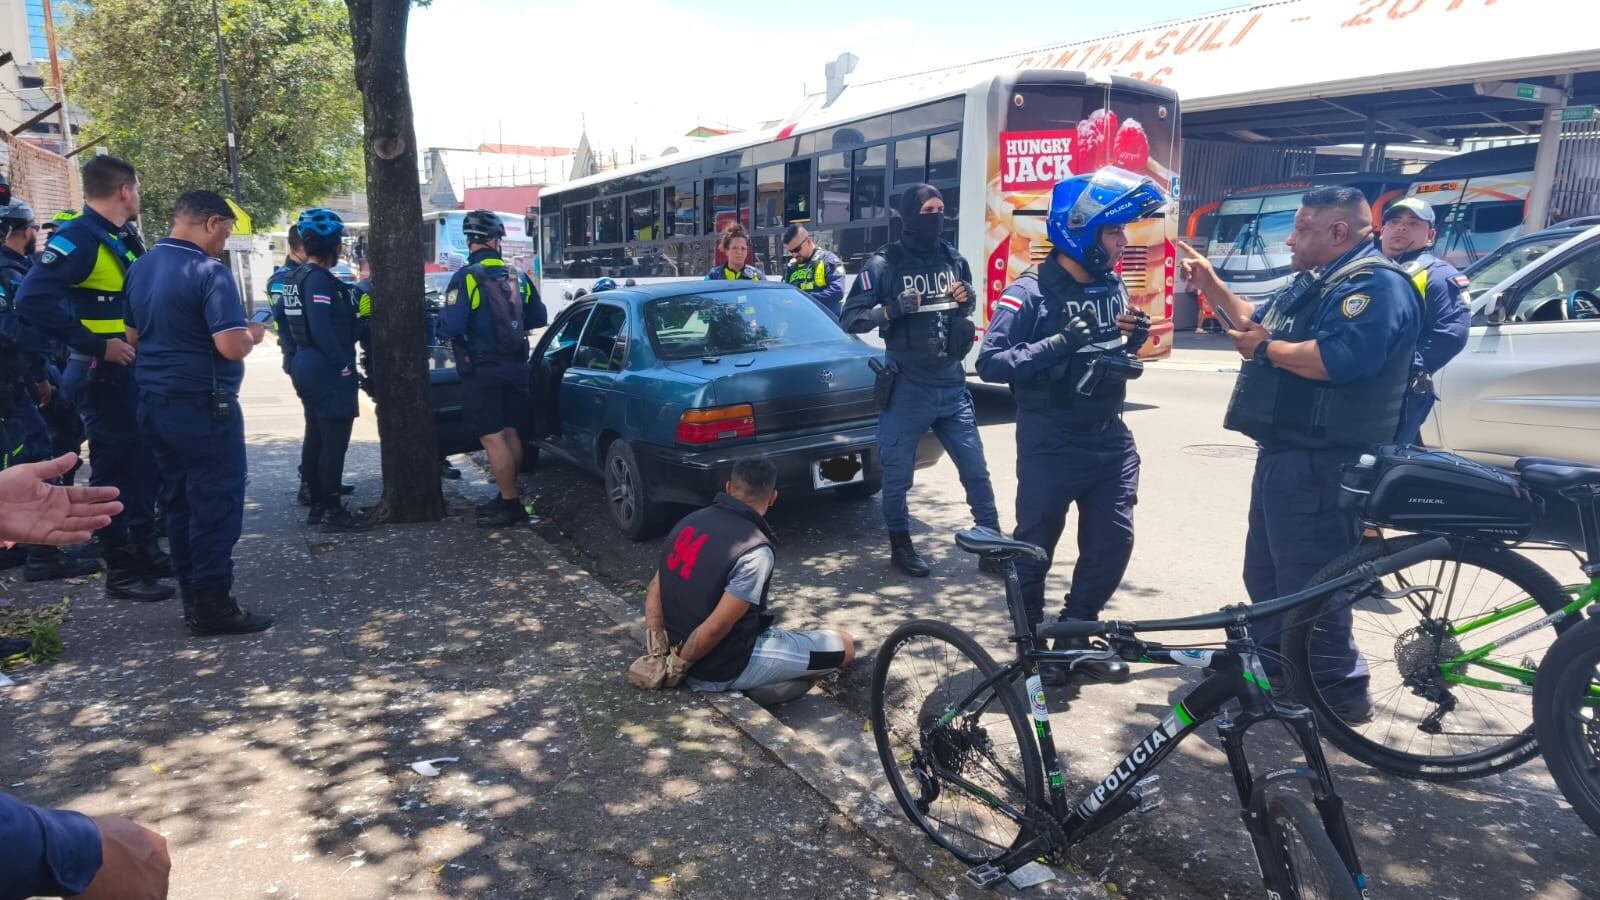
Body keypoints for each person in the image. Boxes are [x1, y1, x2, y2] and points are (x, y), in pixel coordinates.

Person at [1178, 186, 1422, 719]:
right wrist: (1214, 287)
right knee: (1268, 574)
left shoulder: (1374, 286)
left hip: (1326, 461)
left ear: (1339, 231)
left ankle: (1336, 693)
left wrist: (1267, 349)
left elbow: (1341, 360)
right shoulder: (1314, 284)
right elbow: (1255, 324)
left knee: (1312, 587)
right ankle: (1275, 669)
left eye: (1302, 228)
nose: (1290, 239)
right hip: (1287, 455)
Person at [976, 168, 1165, 685]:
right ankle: (1031, 646)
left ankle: (1075, 634)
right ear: (1080, 230)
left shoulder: (1111, 284)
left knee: (1113, 541)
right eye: (1112, 231)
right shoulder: (1030, 294)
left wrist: (1134, 340)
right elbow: (990, 363)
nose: (1123, 241)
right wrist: (1056, 343)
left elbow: (1112, 350)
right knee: (1034, 549)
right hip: (1050, 441)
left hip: (1109, 437)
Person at [15, 155, 173, 602]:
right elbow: (32, 301)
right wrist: (98, 344)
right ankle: (121, 572)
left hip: (129, 373)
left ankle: (146, 553)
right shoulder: (79, 239)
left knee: (142, 467)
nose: (138, 197)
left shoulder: (119, 236)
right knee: (116, 470)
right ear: (125, 190)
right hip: (102, 372)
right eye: (137, 189)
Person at [126, 191, 273, 637]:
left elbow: (132, 336)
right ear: (210, 223)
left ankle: (193, 596)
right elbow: (230, 346)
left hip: (154, 403)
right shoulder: (210, 273)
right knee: (216, 504)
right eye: (225, 231)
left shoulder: (140, 266)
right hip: (204, 407)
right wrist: (253, 333)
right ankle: (213, 607)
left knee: (178, 501)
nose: (224, 243)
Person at [839, 184, 1000, 577]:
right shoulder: (884, 263)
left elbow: (966, 308)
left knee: (975, 469)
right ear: (910, 215)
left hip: (951, 386)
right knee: (897, 476)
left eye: (941, 209)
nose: (936, 217)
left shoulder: (953, 260)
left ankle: (993, 544)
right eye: (928, 210)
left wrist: (966, 300)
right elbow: (850, 318)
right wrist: (890, 310)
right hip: (907, 386)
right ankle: (901, 545)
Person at [637, 457, 854, 705]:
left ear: (729, 488)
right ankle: (759, 684)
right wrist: (679, 665)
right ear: (772, 498)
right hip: (718, 668)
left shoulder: (690, 521)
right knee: (844, 645)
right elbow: (718, 625)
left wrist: (658, 650)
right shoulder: (755, 551)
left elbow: (657, 586)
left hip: (680, 643)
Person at [437, 209, 547, 527]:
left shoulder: (467, 277)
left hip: (482, 370)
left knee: (491, 437)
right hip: (516, 366)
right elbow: (538, 318)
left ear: (470, 242)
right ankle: (507, 494)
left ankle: (510, 504)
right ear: (497, 240)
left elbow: (453, 325)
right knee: (511, 432)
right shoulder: (517, 275)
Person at [280, 208, 368, 532]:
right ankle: (333, 511)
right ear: (334, 245)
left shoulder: (294, 276)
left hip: (305, 363)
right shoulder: (318, 280)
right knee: (334, 442)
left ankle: (318, 504)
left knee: (316, 436)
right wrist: (344, 364)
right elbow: (321, 328)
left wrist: (293, 356)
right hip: (325, 367)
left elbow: (282, 319)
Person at [1375, 197, 1472, 444]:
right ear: (1382, 230)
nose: (1401, 227)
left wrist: (1403, 366)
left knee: (1382, 460)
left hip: (1399, 391)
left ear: (1430, 234)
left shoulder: (1439, 275)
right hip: (1359, 386)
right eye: (1394, 221)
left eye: (1413, 223)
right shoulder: (1367, 268)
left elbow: (1451, 335)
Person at [781, 224, 845, 317]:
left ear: (808, 241)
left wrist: (804, 300)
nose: (795, 255)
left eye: (797, 249)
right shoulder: (792, 266)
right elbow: (786, 294)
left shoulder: (828, 260)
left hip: (826, 322)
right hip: (800, 322)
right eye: (791, 251)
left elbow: (837, 291)